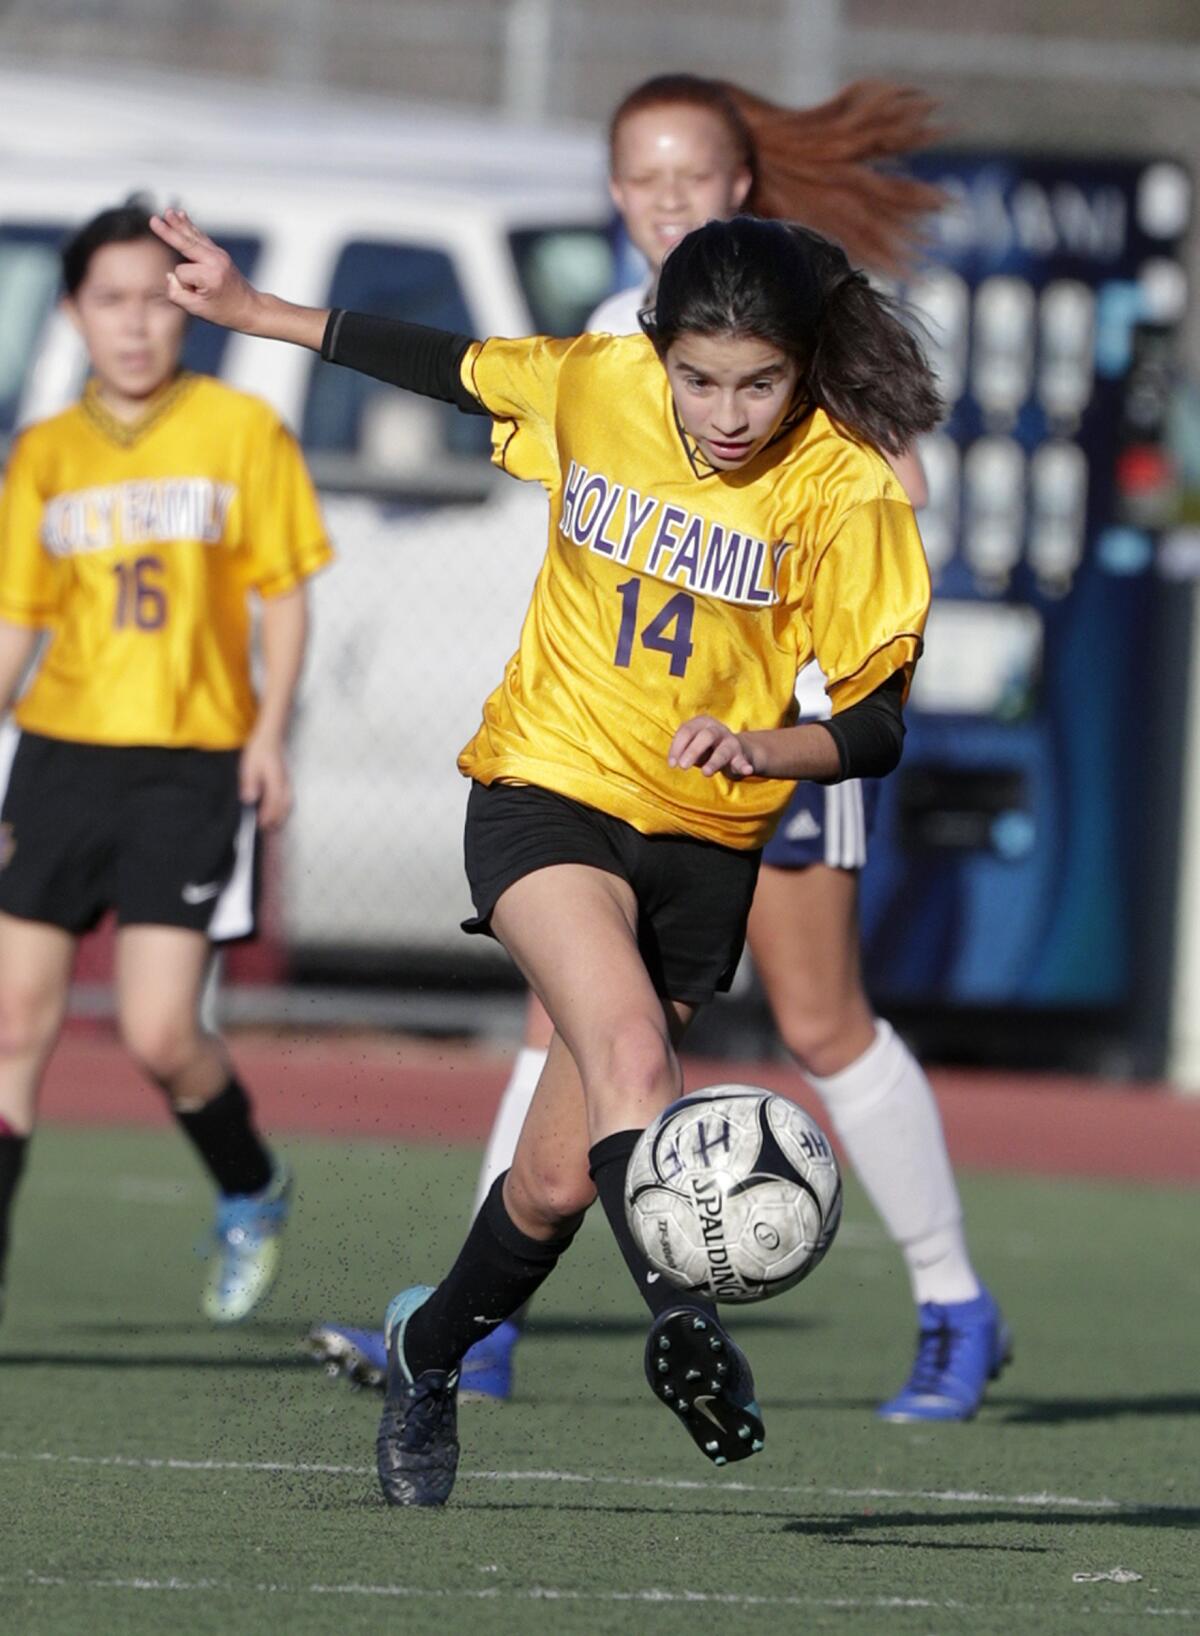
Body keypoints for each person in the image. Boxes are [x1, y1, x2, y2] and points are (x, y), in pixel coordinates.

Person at [152, 197, 941, 1506]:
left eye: (760, 383)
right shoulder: (600, 385)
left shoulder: (846, 489)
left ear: (805, 367)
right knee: (632, 1053)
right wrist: (252, 312)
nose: (726, 411)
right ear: (657, 349)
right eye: (699, 378)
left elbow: (876, 724)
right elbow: (445, 366)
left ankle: (426, 1347)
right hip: (547, 794)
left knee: (558, 1178)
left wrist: (772, 750)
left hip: (705, 842)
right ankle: (685, 1325)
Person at [307, 73, 1009, 1425]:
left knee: (817, 1017)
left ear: (742, 188)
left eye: (695, 176)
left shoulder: (794, 322)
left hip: (774, 726)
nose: (669, 196)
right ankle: (486, 1331)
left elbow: (895, 490)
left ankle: (952, 1301)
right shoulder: (607, 336)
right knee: (567, 1011)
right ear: (615, 192)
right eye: (644, 176)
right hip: (615, 743)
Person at [0, 204, 331, 1327]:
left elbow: (282, 600)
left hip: (188, 767)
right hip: (59, 758)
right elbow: (16, 627)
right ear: (74, 313)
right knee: (12, 1025)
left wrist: (268, 732)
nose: (135, 324)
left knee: (155, 1031)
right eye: (110, 301)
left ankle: (250, 1182)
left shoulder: (240, 430)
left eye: (156, 297)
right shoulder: (46, 451)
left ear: (185, 305)